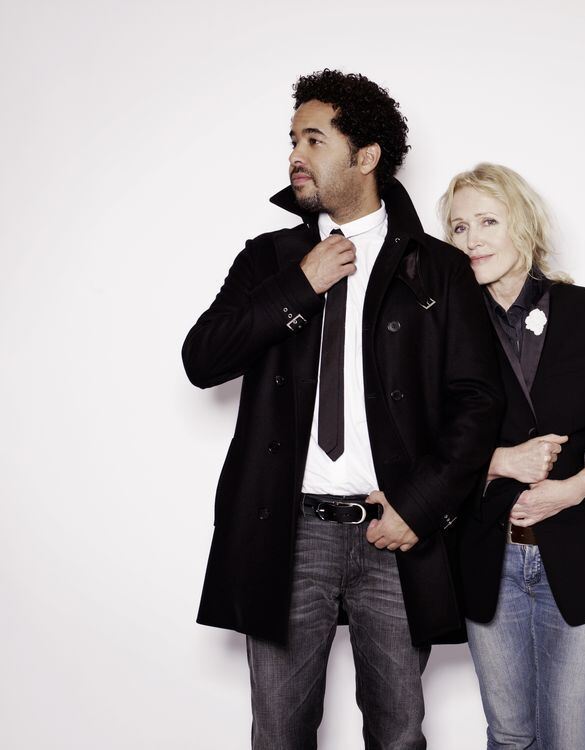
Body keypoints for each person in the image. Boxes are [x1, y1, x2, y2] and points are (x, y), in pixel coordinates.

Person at [182, 71, 504, 750]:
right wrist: (299, 286)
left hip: (394, 530)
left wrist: (419, 505)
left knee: (398, 735)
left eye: (314, 140)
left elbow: (477, 403)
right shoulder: (269, 259)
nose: (295, 155)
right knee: (279, 734)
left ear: (366, 156)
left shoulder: (437, 268)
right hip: (287, 531)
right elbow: (203, 360)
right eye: (292, 140)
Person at [439, 163, 585, 750]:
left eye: (488, 221)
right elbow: (419, 444)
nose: (472, 238)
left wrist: (573, 489)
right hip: (487, 562)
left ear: (525, 224)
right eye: (459, 227)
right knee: (510, 735)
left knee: (569, 737)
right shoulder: (443, 329)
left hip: (580, 558)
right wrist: (498, 461)